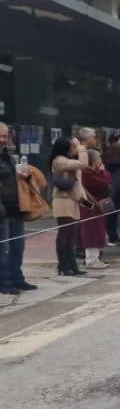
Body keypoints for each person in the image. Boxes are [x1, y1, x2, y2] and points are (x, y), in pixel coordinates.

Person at [0, 123, 35, 293]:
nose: (3, 139)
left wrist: (22, 176)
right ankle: (4, 282)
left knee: (18, 245)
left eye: (5, 136)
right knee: (3, 248)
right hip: (2, 210)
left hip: (16, 207)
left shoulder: (9, 156)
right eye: (0, 136)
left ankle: (17, 278)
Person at [50, 137, 89, 276]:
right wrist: (81, 148)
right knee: (65, 234)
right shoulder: (59, 161)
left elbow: (78, 183)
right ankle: (63, 264)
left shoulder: (69, 161)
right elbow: (84, 164)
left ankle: (72, 265)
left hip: (73, 200)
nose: (74, 149)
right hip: (63, 200)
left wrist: (85, 201)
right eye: (72, 146)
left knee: (72, 235)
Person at [78, 150, 111, 270]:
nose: (101, 161)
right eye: (99, 159)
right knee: (92, 232)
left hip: (95, 206)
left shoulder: (91, 172)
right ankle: (91, 259)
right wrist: (103, 172)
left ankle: (95, 258)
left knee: (97, 231)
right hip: (90, 206)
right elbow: (103, 182)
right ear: (93, 161)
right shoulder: (87, 172)